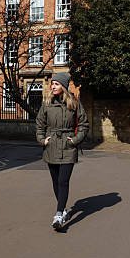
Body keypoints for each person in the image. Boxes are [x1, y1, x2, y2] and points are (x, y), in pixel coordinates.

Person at [36, 72, 89, 231]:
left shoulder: (74, 103)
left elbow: (84, 124)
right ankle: (63, 208)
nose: (53, 86)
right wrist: (42, 140)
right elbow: (40, 124)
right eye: (52, 83)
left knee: (63, 181)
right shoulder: (47, 103)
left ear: (64, 86)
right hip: (51, 145)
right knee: (55, 181)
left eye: (56, 84)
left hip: (67, 146)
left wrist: (75, 140)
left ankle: (59, 214)